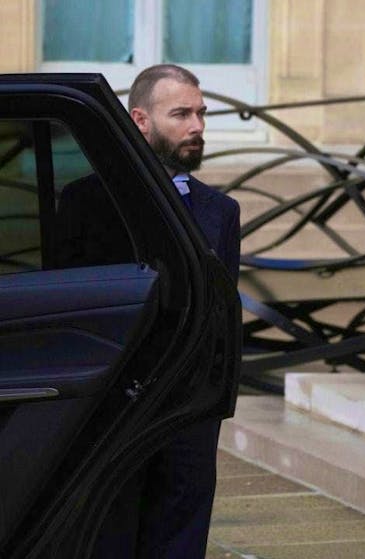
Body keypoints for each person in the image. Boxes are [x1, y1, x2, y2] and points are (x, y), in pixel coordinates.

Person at [57, 64, 240, 558]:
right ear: (139, 120)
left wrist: (214, 402)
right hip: (113, 406)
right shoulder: (83, 202)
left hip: (188, 411)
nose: (197, 126)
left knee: (180, 533)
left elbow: (223, 317)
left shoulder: (221, 211)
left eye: (201, 113)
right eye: (180, 114)